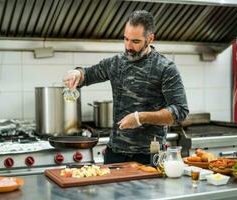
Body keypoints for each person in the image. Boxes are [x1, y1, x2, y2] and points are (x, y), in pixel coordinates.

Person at [63, 10, 189, 165]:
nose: (128, 46)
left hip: (149, 156)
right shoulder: (116, 63)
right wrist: (77, 73)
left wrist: (141, 118)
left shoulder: (165, 68)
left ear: (150, 38)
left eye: (135, 41)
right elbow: (88, 74)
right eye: (126, 39)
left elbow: (180, 111)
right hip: (115, 153)